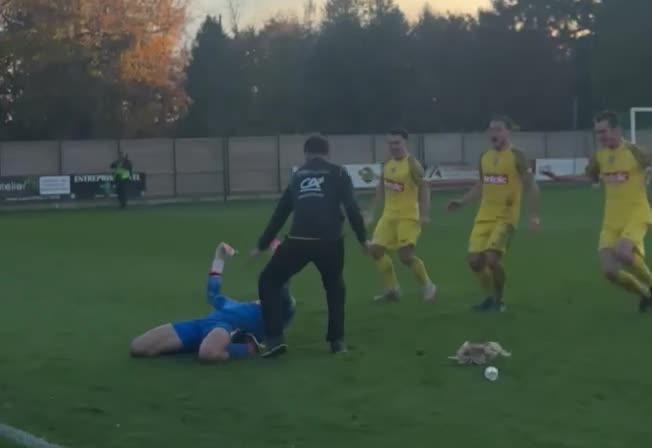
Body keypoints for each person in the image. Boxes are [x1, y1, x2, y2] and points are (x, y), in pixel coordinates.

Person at [542, 111, 652, 311]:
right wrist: (559, 178)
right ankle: (645, 294)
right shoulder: (600, 156)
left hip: (637, 214)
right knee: (610, 272)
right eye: (597, 132)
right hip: (611, 220)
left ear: (617, 130)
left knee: (623, 251)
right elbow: (589, 177)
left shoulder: (634, 151)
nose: (600, 136)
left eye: (604, 131)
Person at [251, 135, 368, 356]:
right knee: (334, 287)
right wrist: (363, 239)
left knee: (269, 280)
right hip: (330, 242)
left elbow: (281, 212)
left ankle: (274, 339)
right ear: (327, 153)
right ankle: (337, 342)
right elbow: (352, 208)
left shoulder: (297, 175)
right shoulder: (339, 173)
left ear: (306, 154)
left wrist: (262, 244)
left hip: (299, 241)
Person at [130, 242, 295, 361]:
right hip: (202, 325)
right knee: (138, 346)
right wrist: (219, 257)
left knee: (208, 353)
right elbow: (212, 295)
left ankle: (248, 347)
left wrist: (247, 349)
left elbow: (281, 286)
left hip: (224, 329)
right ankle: (198, 344)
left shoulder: (274, 313)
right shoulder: (235, 305)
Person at [447, 116, 540, 312]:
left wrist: (533, 215)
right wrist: (462, 201)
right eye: (491, 130)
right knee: (474, 261)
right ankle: (489, 298)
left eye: (498, 129)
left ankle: (499, 300)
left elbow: (531, 185)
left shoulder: (517, 155)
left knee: (491, 259)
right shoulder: (484, 156)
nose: (493, 133)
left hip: (506, 218)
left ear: (508, 132)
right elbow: (482, 184)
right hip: (484, 216)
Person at [366, 129, 436, 304]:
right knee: (375, 250)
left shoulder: (413, 164)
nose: (394, 146)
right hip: (388, 216)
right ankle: (392, 290)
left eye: (397, 143)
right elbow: (381, 186)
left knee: (405, 256)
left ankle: (428, 286)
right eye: (391, 143)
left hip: (408, 216)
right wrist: (371, 211)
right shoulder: (387, 162)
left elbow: (425, 188)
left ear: (405, 142)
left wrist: (424, 214)